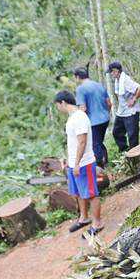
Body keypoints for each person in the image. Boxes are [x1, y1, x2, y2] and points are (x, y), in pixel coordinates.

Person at [54, 90, 103, 237]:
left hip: (84, 163)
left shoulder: (79, 117)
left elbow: (82, 141)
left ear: (63, 102)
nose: (58, 109)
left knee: (91, 193)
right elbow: (73, 143)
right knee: (79, 193)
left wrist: (76, 164)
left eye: (58, 105)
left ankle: (97, 223)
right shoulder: (72, 117)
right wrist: (68, 161)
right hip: (74, 162)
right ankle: (84, 218)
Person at [73, 67, 111, 167]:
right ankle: (106, 162)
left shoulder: (81, 89)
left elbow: (83, 108)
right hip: (105, 119)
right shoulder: (99, 85)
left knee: (95, 144)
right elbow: (109, 103)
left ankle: (99, 166)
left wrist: (79, 122)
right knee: (99, 141)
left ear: (77, 77)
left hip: (93, 121)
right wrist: (106, 113)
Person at [108, 61, 140, 152]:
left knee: (132, 136)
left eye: (112, 72)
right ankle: (125, 150)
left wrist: (134, 99)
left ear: (116, 71)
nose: (111, 74)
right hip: (122, 111)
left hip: (131, 112)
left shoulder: (126, 80)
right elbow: (118, 94)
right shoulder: (117, 81)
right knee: (116, 132)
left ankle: (134, 155)